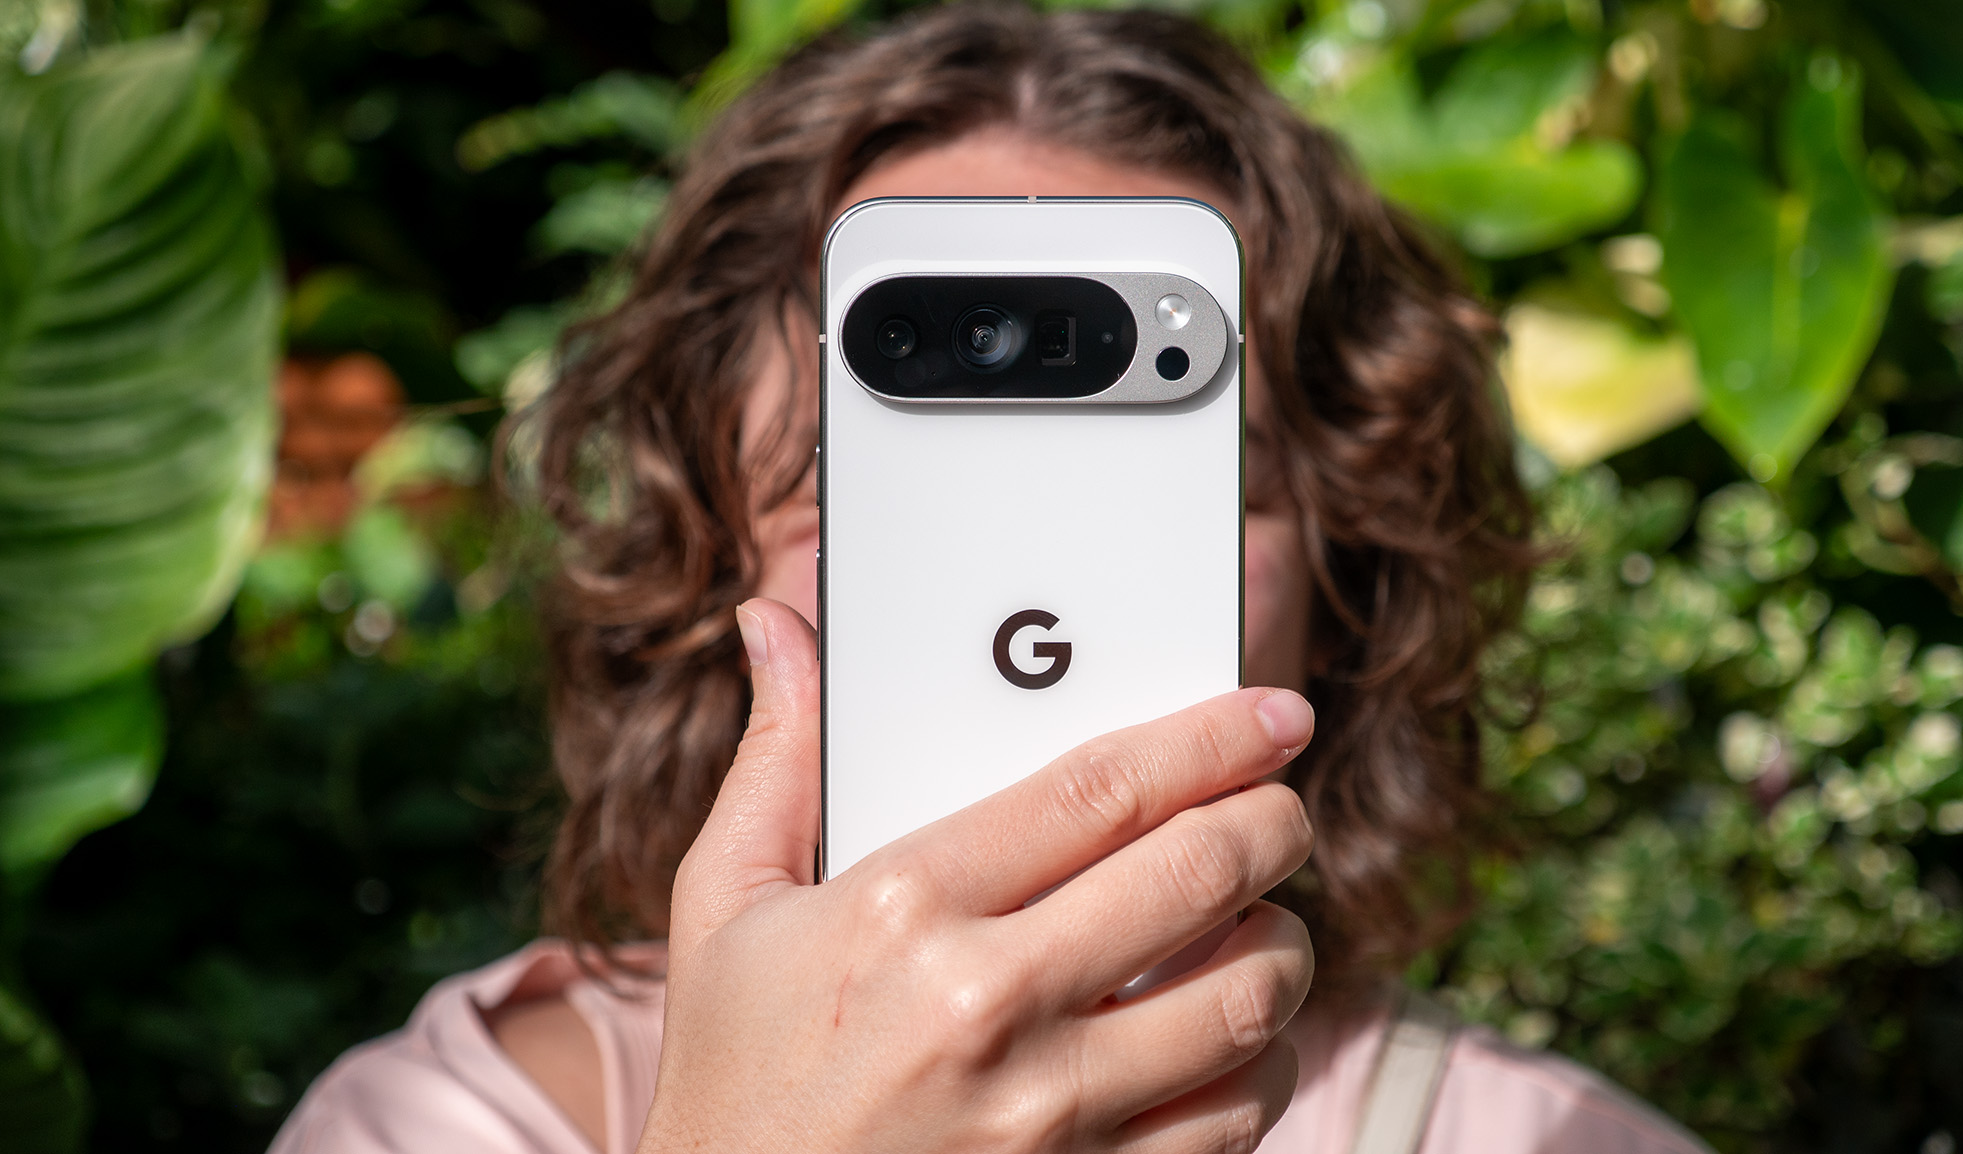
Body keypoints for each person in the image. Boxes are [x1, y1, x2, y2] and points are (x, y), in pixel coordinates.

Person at [270, 6, 1710, 1153]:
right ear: (710, 548)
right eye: (892, 477)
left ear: (1350, 578)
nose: (1034, 608)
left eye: (1166, 482)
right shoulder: (446, 1123)